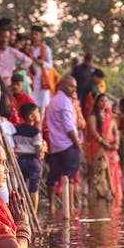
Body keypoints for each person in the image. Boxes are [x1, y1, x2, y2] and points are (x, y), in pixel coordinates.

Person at [45, 74, 81, 214]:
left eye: (75, 87)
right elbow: (69, 127)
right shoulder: (65, 101)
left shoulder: (53, 100)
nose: (73, 89)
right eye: (71, 86)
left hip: (55, 146)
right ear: (63, 85)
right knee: (70, 178)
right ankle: (69, 208)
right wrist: (77, 143)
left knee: (53, 178)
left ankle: (52, 206)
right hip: (68, 145)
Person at [85, 92, 121, 202]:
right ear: (96, 102)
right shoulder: (93, 116)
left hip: (111, 150)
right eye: (101, 101)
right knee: (100, 172)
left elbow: (116, 131)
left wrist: (116, 143)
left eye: (106, 101)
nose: (104, 103)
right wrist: (104, 144)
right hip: (99, 148)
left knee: (113, 171)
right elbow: (93, 132)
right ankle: (99, 195)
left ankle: (114, 194)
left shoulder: (111, 116)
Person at [13, 103, 43, 213]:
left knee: (22, 186)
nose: (39, 114)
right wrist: (43, 150)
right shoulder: (35, 131)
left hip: (20, 161)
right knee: (33, 188)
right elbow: (37, 149)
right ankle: (33, 213)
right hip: (33, 161)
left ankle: (23, 213)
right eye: (37, 112)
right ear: (31, 117)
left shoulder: (16, 130)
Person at [28, 25, 52, 122]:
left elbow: (50, 65)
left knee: (41, 110)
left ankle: (39, 131)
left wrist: (40, 62)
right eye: (32, 34)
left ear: (40, 36)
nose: (34, 36)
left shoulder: (46, 49)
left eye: (36, 34)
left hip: (42, 82)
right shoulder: (27, 48)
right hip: (30, 80)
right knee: (30, 108)